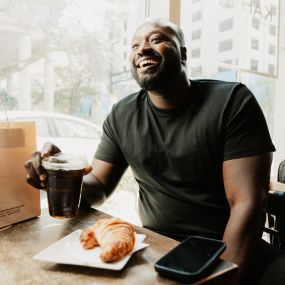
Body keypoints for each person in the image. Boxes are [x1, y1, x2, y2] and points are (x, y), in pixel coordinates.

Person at [25, 18, 285, 284]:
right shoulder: (122, 115)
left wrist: (225, 275)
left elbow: (248, 204)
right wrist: (61, 175)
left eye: (156, 39)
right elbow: (99, 185)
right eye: (135, 45)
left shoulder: (232, 102)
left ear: (183, 53)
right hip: (158, 247)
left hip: (227, 247)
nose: (142, 48)